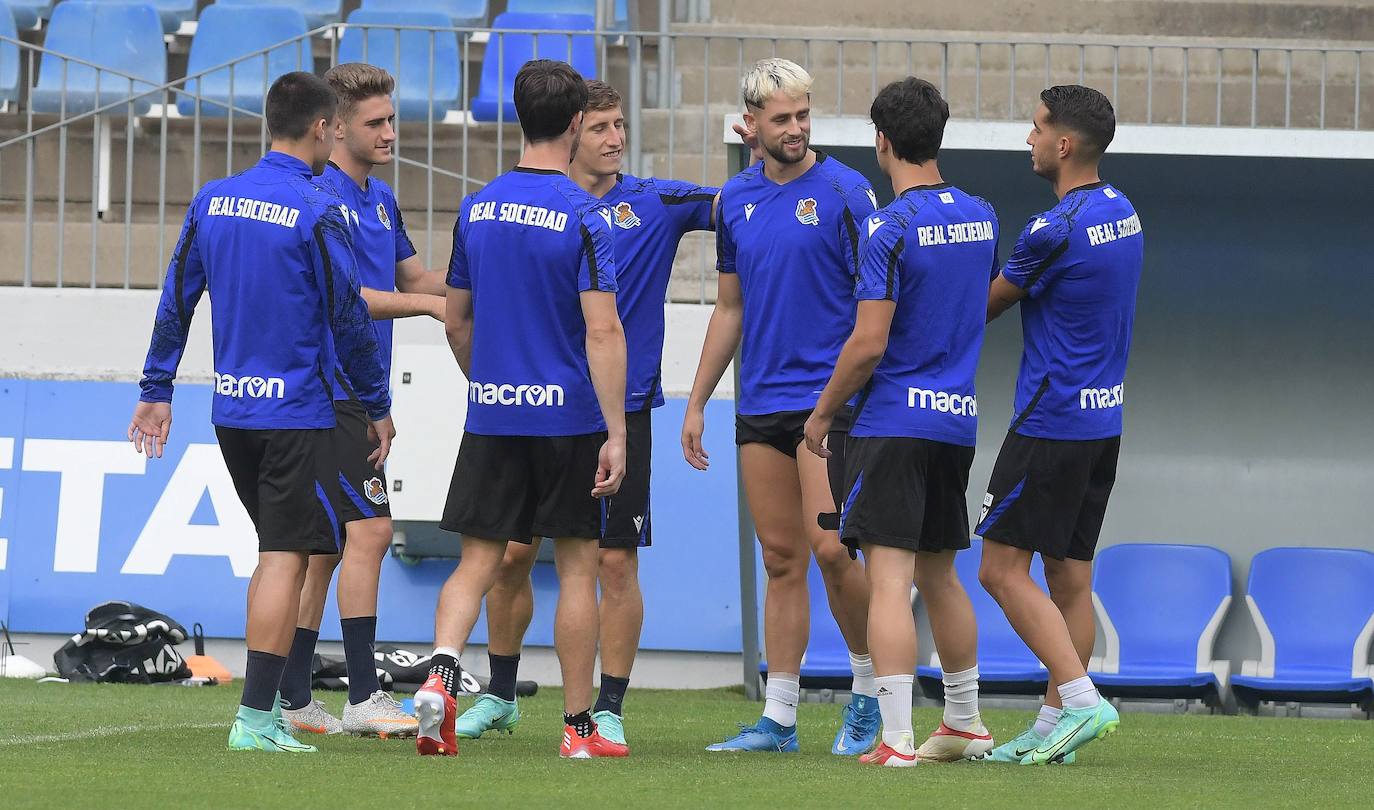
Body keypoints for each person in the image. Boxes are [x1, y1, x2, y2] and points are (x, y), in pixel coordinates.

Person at [128, 72, 395, 753]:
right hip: (297, 412)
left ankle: (271, 709)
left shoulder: (213, 199)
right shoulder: (317, 207)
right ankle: (255, 718)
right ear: (321, 129)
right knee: (285, 558)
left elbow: (177, 297)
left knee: (280, 552)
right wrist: (376, 404)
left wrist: (157, 388)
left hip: (233, 411)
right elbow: (349, 317)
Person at [450, 80, 718, 754]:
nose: (615, 138)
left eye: (621, 125)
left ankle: (609, 708)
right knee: (512, 557)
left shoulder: (655, 202)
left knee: (613, 562)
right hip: (546, 413)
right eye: (600, 127)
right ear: (573, 130)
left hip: (621, 410)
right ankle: (501, 694)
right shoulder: (544, 209)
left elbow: (741, 206)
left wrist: (776, 157)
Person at [412, 59, 628, 760]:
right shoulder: (586, 214)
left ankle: (442, 672)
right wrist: (617, 430)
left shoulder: (477, 208)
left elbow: (456, 319)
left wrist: (488, 385)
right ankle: (577, 729)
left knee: (476, 562)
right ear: (575, 123)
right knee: (577, 569)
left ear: (518, 118)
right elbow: (603, 330)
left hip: (495, 415)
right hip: (568, 419)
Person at [683, 57, 879, 755]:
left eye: (803, 115)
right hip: (760, 404)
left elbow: (876, 304)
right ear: (751, 124)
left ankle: (871, 694)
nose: (795, 129)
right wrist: (697, 402)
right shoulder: (734, 199)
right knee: (779, 558)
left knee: (832, 550)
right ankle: (780, 718)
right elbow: (729, 308)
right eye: (781, 118)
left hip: (828, 405)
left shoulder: (849, 192)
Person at [803, 77, 998, 766]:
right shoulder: (983, 215)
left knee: (890, 581)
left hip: (892, 422)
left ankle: (896, 739)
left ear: (882, 141)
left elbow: (868, 342)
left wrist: (822, 414)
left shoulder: (888, 227)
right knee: (942, 576)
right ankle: (966, 722)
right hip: (956, 421)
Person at [275, 63, 448, 738]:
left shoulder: (380, 200)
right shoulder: (322, 199)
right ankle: (363, 695)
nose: (389, 132)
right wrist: (430, 308)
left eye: (391, 119)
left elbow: (416, 277)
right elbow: (348, 297)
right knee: (370, 531)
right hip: (333, 388)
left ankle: (293, 698)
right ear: (335, 126)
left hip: (356, 390)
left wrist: (483, 271)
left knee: (322, 548)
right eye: (375, 122)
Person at [976, 85, 1143, 765]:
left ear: (1064, 144)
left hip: (1051, 422)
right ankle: (1055, 728)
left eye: (1038, 127)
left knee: (997, 570)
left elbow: (982, 308)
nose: (1030, 138)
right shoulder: (1123, 210)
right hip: (1102, 422)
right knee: (1069, 579)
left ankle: (1079, 700)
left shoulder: (1055, 228)